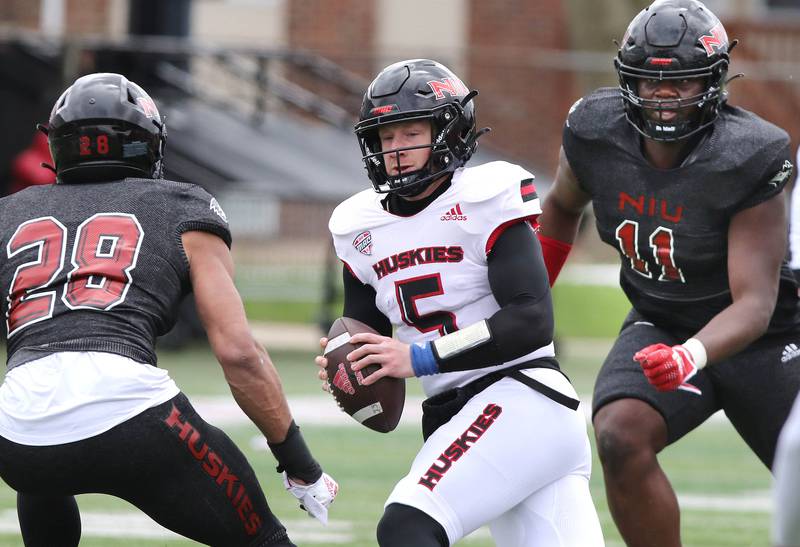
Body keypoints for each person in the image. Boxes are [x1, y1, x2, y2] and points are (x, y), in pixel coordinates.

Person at [0, 72, 337, 547]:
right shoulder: (182, 205)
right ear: (147, 145)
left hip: (17, 429)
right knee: (264, 541)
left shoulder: (10, 212)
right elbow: (239, 353)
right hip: (133, 417)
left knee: (42, 466)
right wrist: (300, 463)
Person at [536, 1, 800, 546]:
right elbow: (563, 206)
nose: (664, 96)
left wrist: (689, 357)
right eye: (650, 82)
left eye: (681, 82)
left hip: (768, 336)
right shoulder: (594, 130)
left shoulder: (752, 153)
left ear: (713, 79)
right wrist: (530, 298)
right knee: (618, 435)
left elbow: (754, 303)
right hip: (663, 320)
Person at [316, 59, 604, 546]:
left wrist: (419, 356)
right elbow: (366, 339)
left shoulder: (485, 197)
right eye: (385, 138)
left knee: (408, 525)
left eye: (410, 132)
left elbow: (532, 320)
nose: (396, 150)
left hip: (523, 395)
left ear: (449, 131)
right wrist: (347, 367)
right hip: (465, 415)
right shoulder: (357, 227)